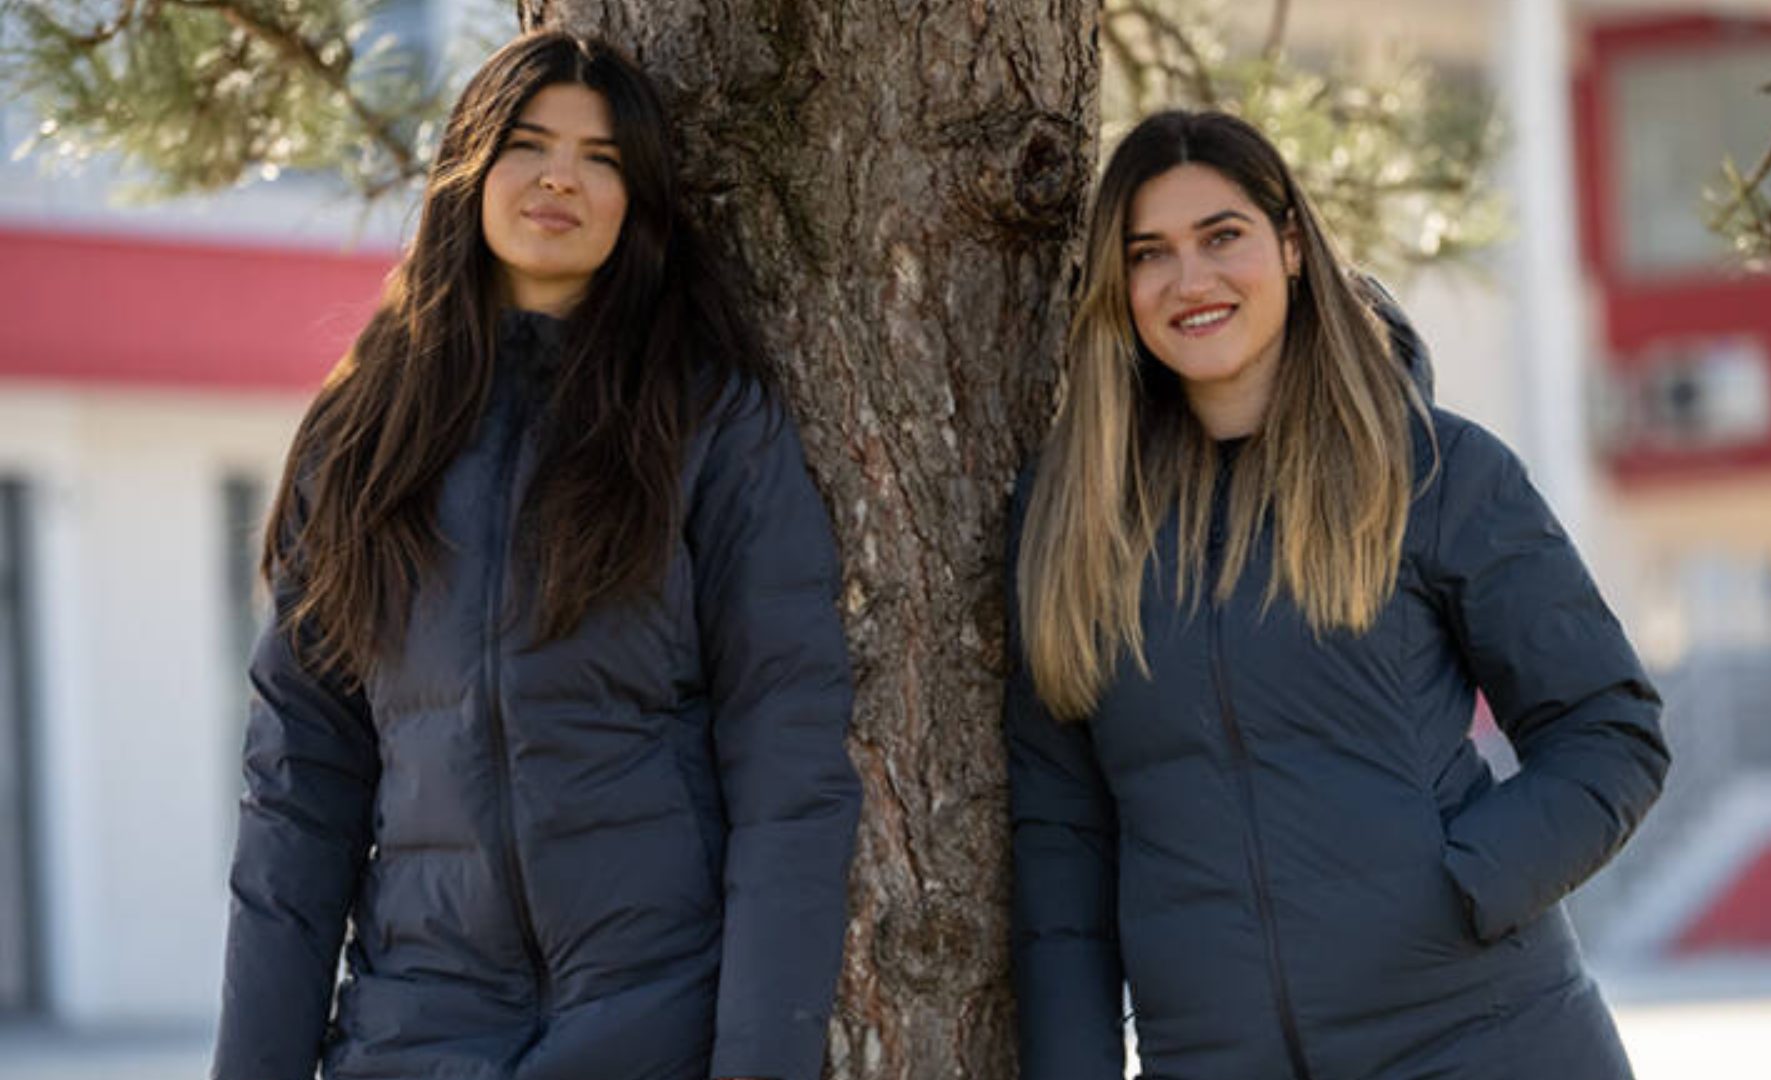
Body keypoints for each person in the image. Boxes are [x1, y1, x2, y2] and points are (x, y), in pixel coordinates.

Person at [212, 31, 861, 1080]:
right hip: (414, 1032)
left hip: (651, 1025)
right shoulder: (365, 437)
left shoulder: (704, 421)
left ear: (639, 204)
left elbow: (789, 768)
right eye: (528, 142)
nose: (562, 174)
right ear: (469, 167)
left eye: (603, 158)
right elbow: (299, 786)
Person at [1005, 110, 1669, 1080]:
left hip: (1482, 1042)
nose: (1190, 281)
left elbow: (1611, 730)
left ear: (1290, 245)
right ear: (1119, 285)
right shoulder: (1074, 517)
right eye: (1150, 253)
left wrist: (1455, 888)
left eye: (1221, 236)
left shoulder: (1435, 472)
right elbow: (1062, 834)